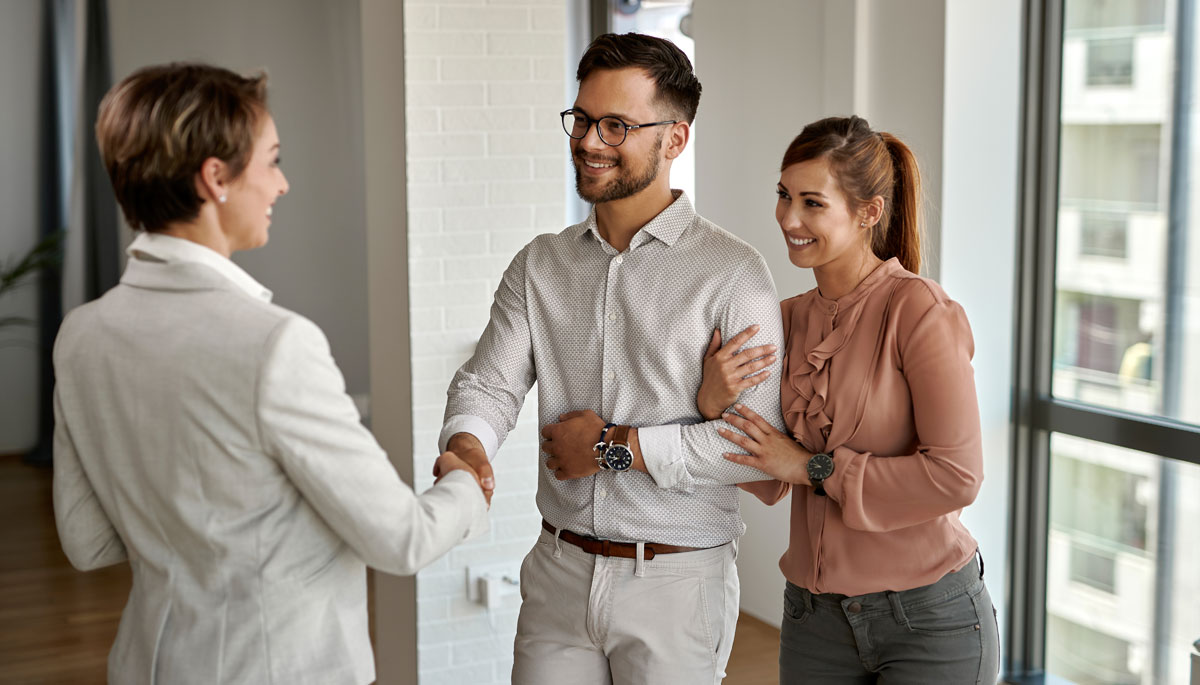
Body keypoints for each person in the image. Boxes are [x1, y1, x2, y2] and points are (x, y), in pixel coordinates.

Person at [52, 63, 488, 685]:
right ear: (215, 178)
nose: (281, 185)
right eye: (272, 161)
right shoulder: (275, 345)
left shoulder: (80, 335)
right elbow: (403, 539)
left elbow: (87, 542)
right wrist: (468, 484)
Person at [438, 33, 785, 684]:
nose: (590, 140)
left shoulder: (735, 275)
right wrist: (470, 444)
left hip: (678, 580)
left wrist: (610, 447)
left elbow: (754, 450)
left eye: (616, 125)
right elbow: (489, 384)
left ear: (675, 139)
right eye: (583, 118)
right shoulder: (539, 264)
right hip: (558, 571)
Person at [705, 115, 999, 683]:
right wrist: (714, 401)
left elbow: (958, 476)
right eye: (784, 196)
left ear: (869, 212)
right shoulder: (781, 320)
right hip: (814, 618)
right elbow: (765, 474)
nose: (789, 219)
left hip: (928, 620)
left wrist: (814, 468)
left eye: (813, 203)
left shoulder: (919, 312)